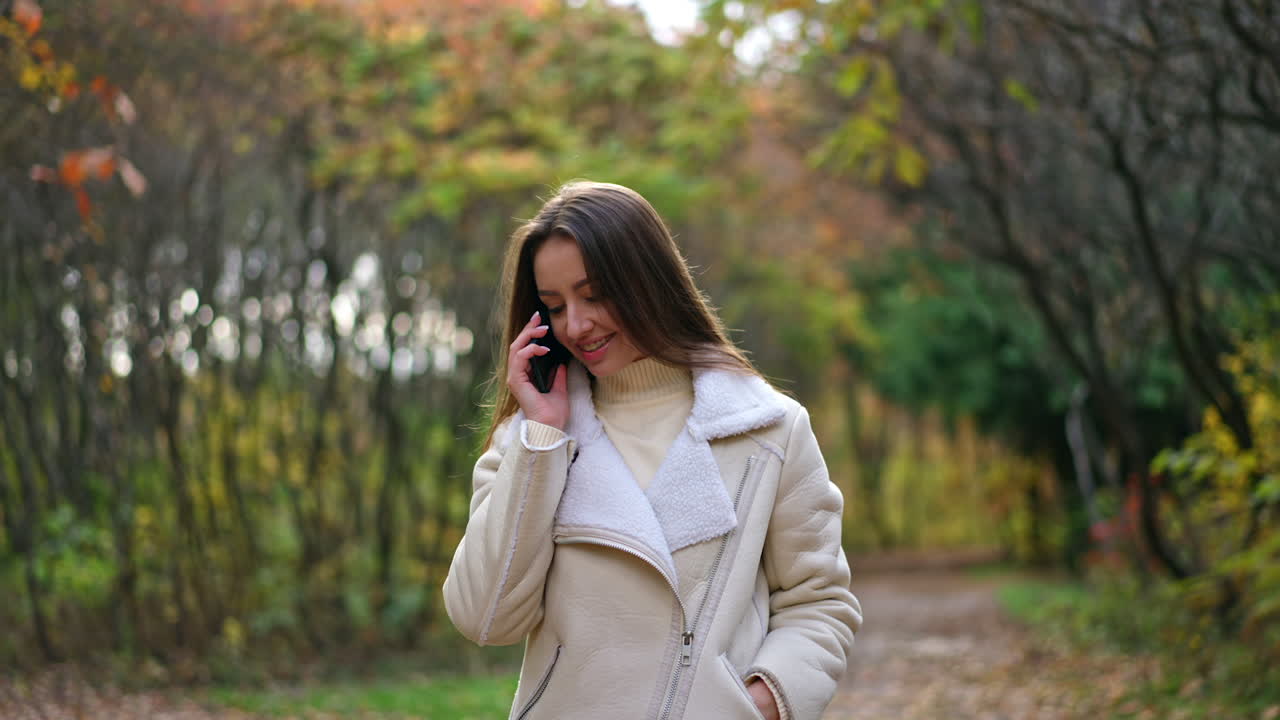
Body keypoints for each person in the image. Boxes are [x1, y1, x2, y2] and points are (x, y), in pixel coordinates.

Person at [443, 181, 861, 720]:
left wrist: (757, 706)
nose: (576, 324)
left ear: (649, 280)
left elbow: (819, 605)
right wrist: (542, 439)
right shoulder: (529, 441)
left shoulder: (769, 431)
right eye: (555, 305)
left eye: (593, 295)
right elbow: (484, 618)